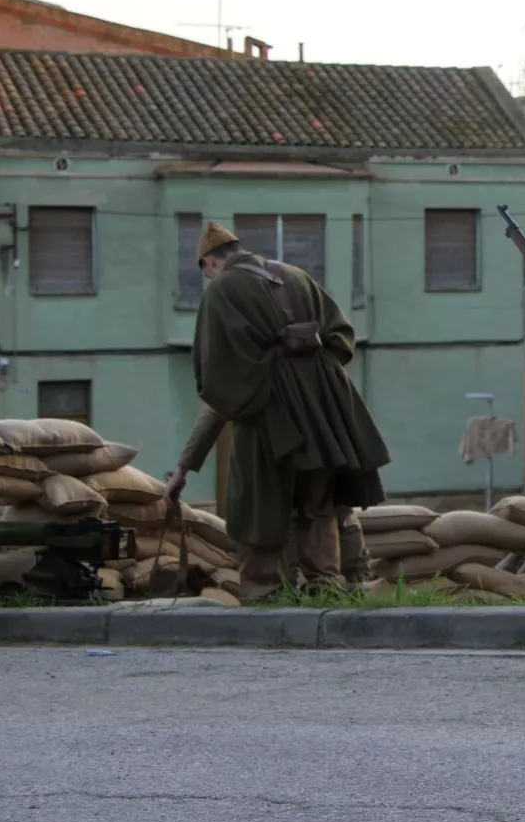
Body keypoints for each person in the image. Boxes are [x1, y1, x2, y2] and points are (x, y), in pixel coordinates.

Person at [164, 221, 391, 599]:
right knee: (319, 503)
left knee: (257, 502)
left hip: (267, 417)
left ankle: (264, 593)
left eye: (205, 273)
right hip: (324, 416)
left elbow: (216, 381)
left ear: (210, 263)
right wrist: (310, 380)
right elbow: (341, 338)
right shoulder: (295, 276)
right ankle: (326, 588)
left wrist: (270, 383)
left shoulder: (221, 291)